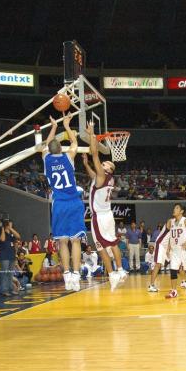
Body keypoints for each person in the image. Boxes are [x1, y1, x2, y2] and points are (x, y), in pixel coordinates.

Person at [43, 113, 86, 292]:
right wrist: (66, 126)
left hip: (59, 204)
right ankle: (76, 274)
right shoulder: (68, 157)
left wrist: (53, 127)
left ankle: (67, 274)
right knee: (75, 240)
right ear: (60, 147)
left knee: (62, 241)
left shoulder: (46, 159)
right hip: (73, 202)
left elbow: (46, 144)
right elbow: (75, 143)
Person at [82, 121, 127, 291]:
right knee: (113, 243)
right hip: (108, 215)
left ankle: (112, 274)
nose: (103, 162)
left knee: (101, 248)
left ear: (109, 169)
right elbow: (94, 175)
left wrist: (92, 134)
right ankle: (120, 271)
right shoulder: (106, 178)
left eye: (106, 163)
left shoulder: (103, 175)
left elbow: (95, 154)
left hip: (100, 217)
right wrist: (86, 164)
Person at [0, 220, 21, 296]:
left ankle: (11, 289)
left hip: (11, 256)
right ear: (6, 225)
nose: (11, 226)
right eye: (10, 225)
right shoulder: (1, 232)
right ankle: (4, 290)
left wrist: (11, 229)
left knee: (10, 274)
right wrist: (2, 229)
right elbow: (3, 239)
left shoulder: (11, 235)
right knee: (4, 273)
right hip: (4, 256)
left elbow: (18, 236)